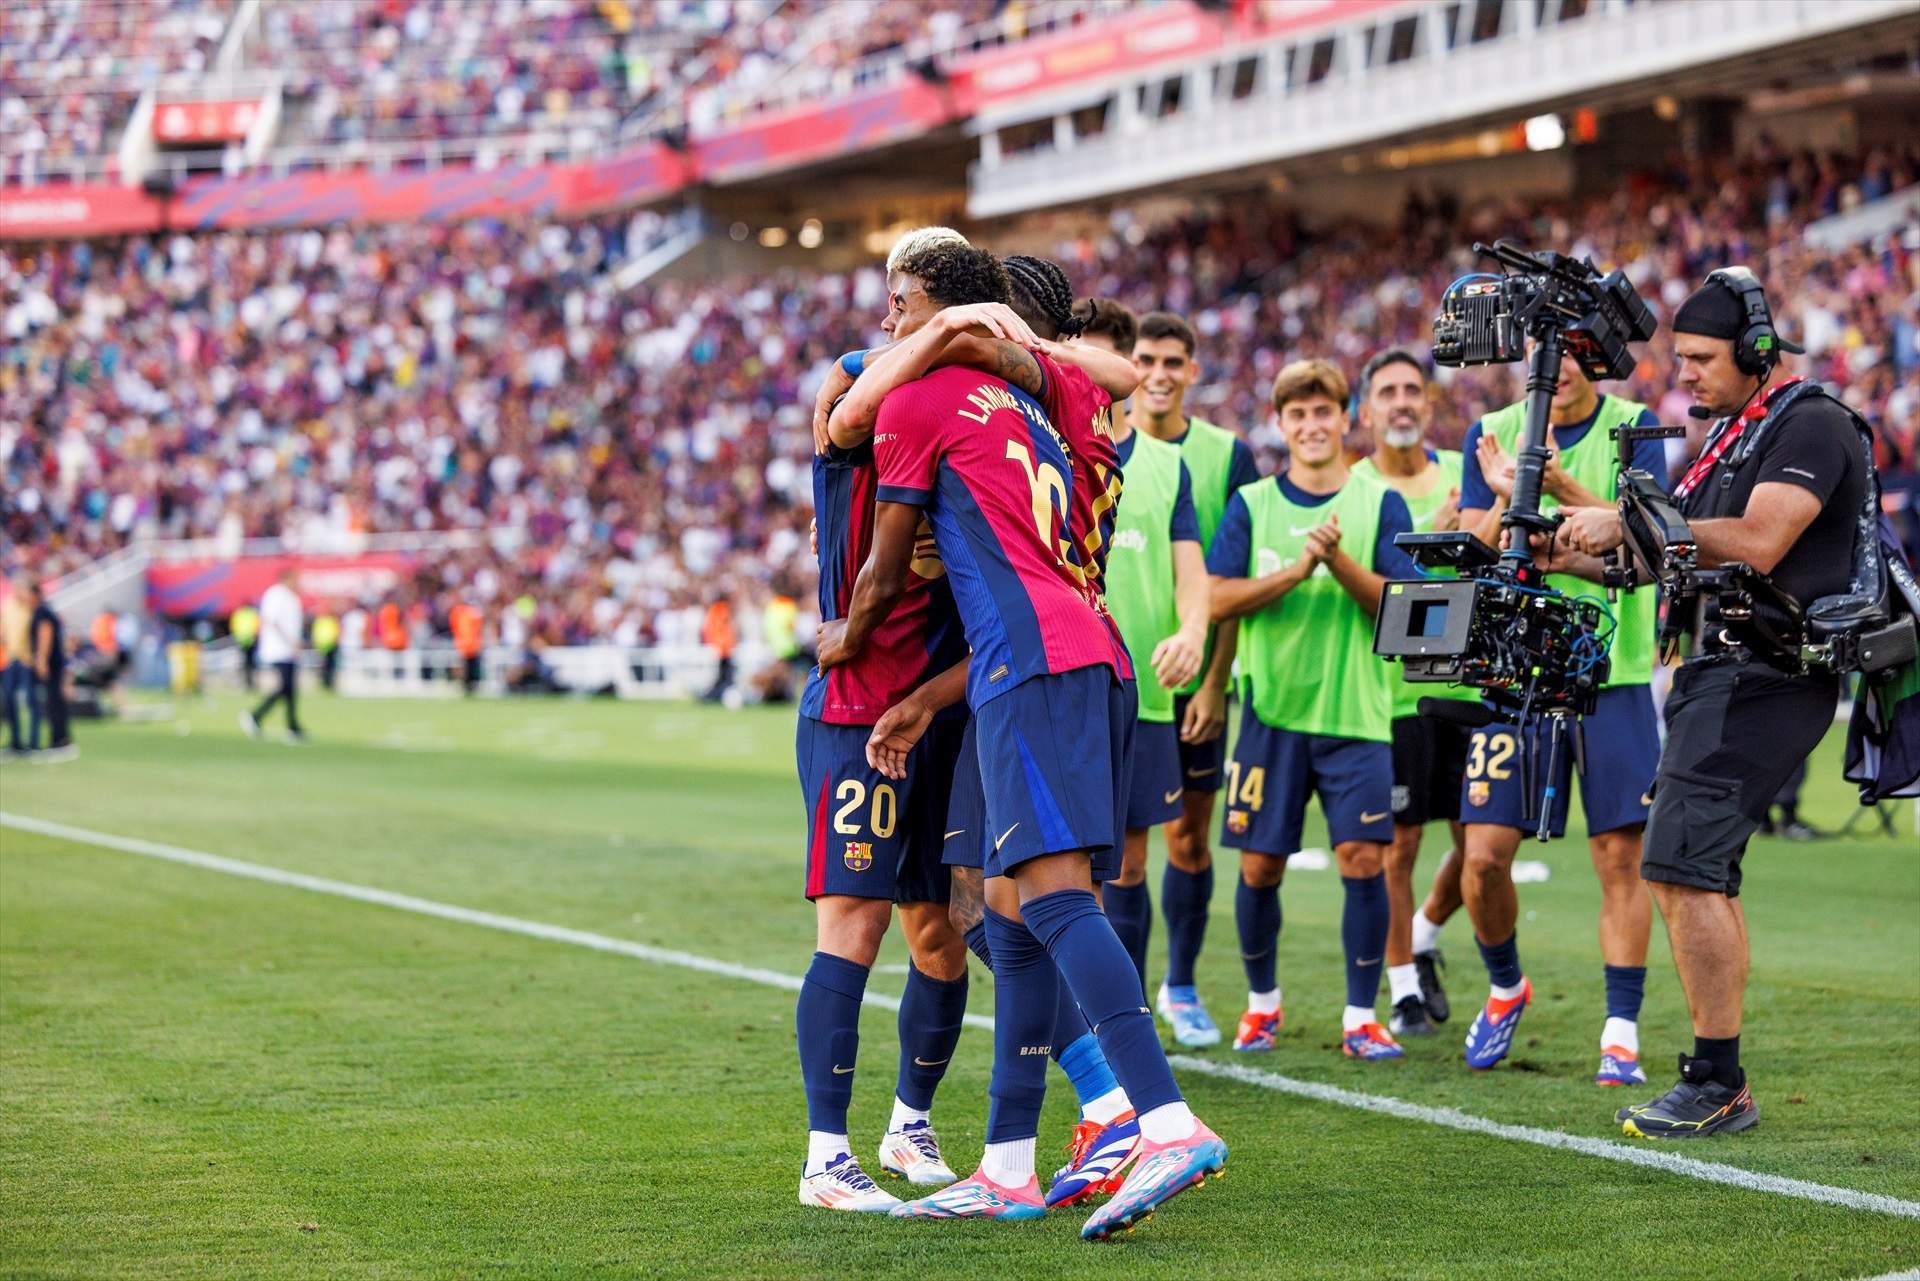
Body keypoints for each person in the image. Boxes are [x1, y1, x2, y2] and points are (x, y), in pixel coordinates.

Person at [823, 239, 1224, 1238]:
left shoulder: (920, 401)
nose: (889, 325)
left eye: (901, 307)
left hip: (1028, 665)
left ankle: (1158, 1119)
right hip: (1083, 654)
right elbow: (1114, 378)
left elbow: (850, 426)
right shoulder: (1056, 407)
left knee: (1051, 894)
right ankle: (1009, 1162)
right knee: (1003, 898)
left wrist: (854, 634)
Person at [1558, 268, 1867, 1138]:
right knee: (1693, 867)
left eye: (1699, 357)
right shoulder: (1734, 433)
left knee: (1678, 865)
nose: (1684, 373)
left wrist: (1634, 523)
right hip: (1718, 674)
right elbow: (1663, 557)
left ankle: (1717, 1080)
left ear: (1755, 351)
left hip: (1764, 674)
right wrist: (1553, 551)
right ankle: (1715, 1075)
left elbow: (1762, 541)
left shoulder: (1809, 421)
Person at [781, 226, 982, 1214]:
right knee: (852, 929)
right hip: (857, 710)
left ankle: (909, 1126)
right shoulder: (858, 399)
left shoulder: (966, 426)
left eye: (905, 297)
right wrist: (957, 327)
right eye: (896, 298)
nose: (890, 314)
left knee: (941, 934)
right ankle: (826, 1158)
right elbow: (847, 381)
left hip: (937, 712)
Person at [1450, 344, 1668, 1083]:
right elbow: (1467, 557)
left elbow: (1652, 541)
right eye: (1550, 352)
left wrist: (1544, 478)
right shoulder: (1490, 427)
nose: (1563, 366)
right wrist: (1504, 499)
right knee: (1481, 858)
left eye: (1577, 352)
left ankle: (1620, 1031)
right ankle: (1507, 985)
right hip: (1511, 671)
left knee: (1619, 857)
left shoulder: (1636, 425)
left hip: (1614, 669)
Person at [1208, 359, 1416, 1061]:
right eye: (1297, 414)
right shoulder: (1253, 503)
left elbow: (1403, 610)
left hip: (1355, 713)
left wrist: (1337, 565)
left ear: (1345, 417)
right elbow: (1213, 598)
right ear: (1281, 423)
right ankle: (1261, 1005)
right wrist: (1295, 571)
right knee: (1260, 865)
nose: (1311, 425)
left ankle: (1361, 1016)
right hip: (1270, 713)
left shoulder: (1380, 502)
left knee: (1363, 858)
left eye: (1323, 411)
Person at [1128, 311, 1261, 1049]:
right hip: (1124, 675)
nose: (1158, 372)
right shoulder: (1104, 444)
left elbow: (1227, 579)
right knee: (1121, 852)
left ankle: (1179, 984)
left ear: (1192, 371)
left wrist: (1214, 682)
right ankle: (1125, 1000)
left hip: (1194, 676)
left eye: (1173, 361)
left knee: (1188, 840)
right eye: (1146, 358)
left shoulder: (1225, 454)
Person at [1349, 348, 1472, 1037]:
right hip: (1388, 696)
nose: (1400, 402)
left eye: (1411, 391)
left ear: (1429, 404)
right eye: (1386, 392)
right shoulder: (1354, 490)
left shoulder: (1465, 476)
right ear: (1366, 411)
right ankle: (1402, 989)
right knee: (1397, 846)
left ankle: (1425, 931)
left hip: (1468, 688)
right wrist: (1445, 544)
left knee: (1483, 842)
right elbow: (1384, 597)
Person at [242, 568, 304, 740]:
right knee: (285, 687)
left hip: (288, 649)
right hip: (279, 648)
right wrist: (290, 642)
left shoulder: (292, 597)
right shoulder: (276, 595)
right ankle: (255, 715)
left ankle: (293, 726)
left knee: (290, 689)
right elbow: (272, 620)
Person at [27, 583, 76, 762]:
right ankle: (59, 741)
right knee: (54, 702)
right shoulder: (43, 610)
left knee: (54, 702)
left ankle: (60, 742)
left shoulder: (42, 612)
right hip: (54, 663)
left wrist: (40, 660)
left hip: (51, 664)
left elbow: (44, 636)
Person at [2, 581, 31, 755]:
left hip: (26, 660)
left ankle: (31, 742)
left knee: (29, 702)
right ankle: (16, 741)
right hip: (11, 659)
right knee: (10, 701)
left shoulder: (29, 607)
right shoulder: (8, 606)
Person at [450, 601, 485, 695]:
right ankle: (467, 687)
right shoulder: (462, 614)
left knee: (471, 669)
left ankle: (470, 687)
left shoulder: (466, 614)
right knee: (466, 669)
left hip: (470, 647)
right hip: (466, 647)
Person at [230, 601, 260, 691]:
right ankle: (251, 683)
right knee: (251, 663)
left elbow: (233, 627)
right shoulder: (253, 614)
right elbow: (257, 627)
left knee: (244, 663)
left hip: (241, 641)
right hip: (251, 640)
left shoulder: (238, 614)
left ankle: (247, 683)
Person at [312, 608, 340, 692]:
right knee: (324, 667)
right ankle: (324, 683)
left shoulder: (329, 620)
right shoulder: (324, 620)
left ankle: (328, 684)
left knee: (329, 667)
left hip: (329, 646)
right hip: (323, 647)